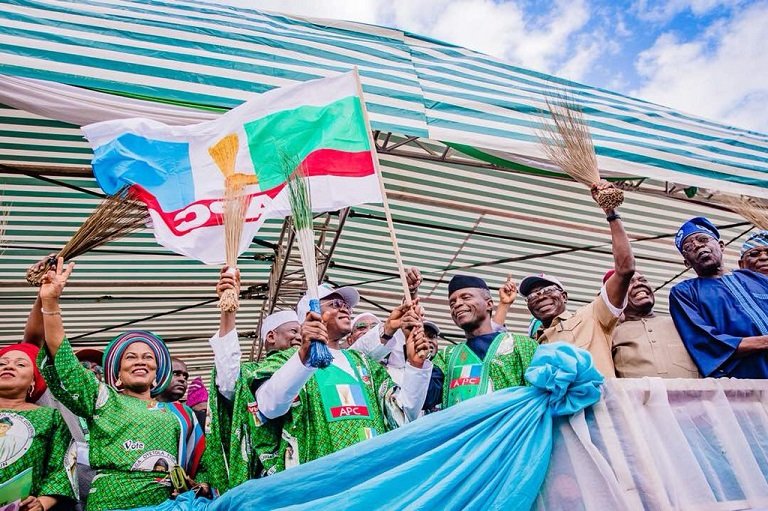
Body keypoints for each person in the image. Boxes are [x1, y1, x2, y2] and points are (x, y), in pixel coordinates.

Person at [207, 268, 432, 485]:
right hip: (321, 492)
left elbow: (404, 413)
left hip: (374, 485)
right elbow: (268, 406)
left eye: (346, 305)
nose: (345, 309)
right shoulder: (286, 361)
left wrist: (416, 366)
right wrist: (304, 358)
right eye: (335, 304)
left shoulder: (363, 364)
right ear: (311, 314)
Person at [35, 258, 209, 510]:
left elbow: (204, 462)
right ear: (116, 376)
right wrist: (50, 302)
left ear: (157, 375)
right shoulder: (103, 398)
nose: (140, 362)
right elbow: (64, 361)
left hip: (170, 504)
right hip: (112, 501)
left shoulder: (182, 414)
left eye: (148, 357)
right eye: (131, 357)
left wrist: (200, 484)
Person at [520, 181, 635, 378]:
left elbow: (625, 269)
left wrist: (611, 213)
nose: (539, 296)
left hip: (600, 406)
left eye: (547, 290)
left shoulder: (593, 315)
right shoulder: (531, 346)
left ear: (564, 296)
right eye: (532, 295)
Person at [669, 218, 768, 378]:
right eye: (688, 247)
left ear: (721, 246)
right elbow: (706, 342)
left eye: (703, 239)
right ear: (686, 262)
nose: (698, 246)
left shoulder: (756, 278)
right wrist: (764, 342)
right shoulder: (685, 292)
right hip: (745, 384)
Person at [424, 275, 539, 410]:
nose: (458, 304)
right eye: (452, 303)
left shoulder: (522, 346)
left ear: (489, 304)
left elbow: (540, 399)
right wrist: (417, 363)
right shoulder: (446, 357)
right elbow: (425, 399)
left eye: (466, 297)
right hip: (464, 431)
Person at [0, 343, 76, 511]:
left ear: (34, 379)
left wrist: (42, 502)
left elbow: (62, 467)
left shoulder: (50, 417)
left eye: (20, 364)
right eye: (2, 363)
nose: (9, 366)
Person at [611, 271, 700, 378]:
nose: (639, 284)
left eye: (643, 280)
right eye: (629, 282)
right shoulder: (612, 334)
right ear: (616, 297)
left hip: (695, 393)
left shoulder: (681, 323)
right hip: (636, 395)